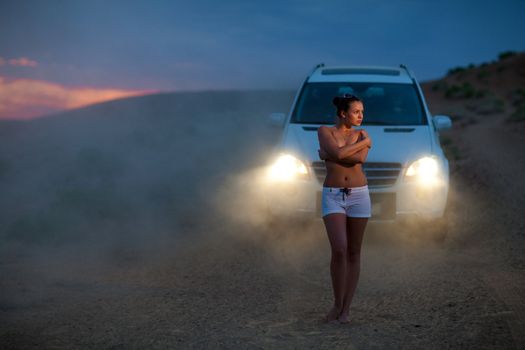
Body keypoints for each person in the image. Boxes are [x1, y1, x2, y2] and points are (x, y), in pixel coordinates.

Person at [317, 94, 372, 324]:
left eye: (362, 111)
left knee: (354, 252)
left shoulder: (362, 133)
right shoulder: (325, 131)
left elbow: (358, 160)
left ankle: (346, 309)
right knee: (339, 249)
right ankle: (336, 304)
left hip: (360, 194)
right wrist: (364, 143)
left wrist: (329, 154)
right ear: (342, 113)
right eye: (356, 111)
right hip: (333, 195)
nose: (361, 115)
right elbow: (342, 155)